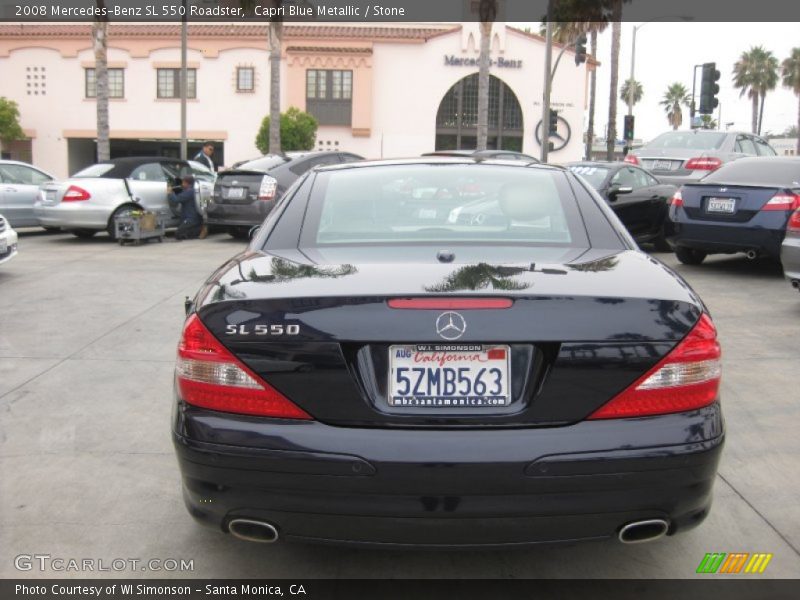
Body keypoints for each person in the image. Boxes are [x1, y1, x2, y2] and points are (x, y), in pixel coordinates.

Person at [168, 175, 203, 240]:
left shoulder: (189, 192)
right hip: (191, 218)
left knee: (178, 234)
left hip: (191, 219)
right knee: (183, 231)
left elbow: (176, 199)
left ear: (187, 183)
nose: (182, 184)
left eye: (183, 182)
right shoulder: (192, 190)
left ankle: (198, 230)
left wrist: (170, 193)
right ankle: (194, 231)